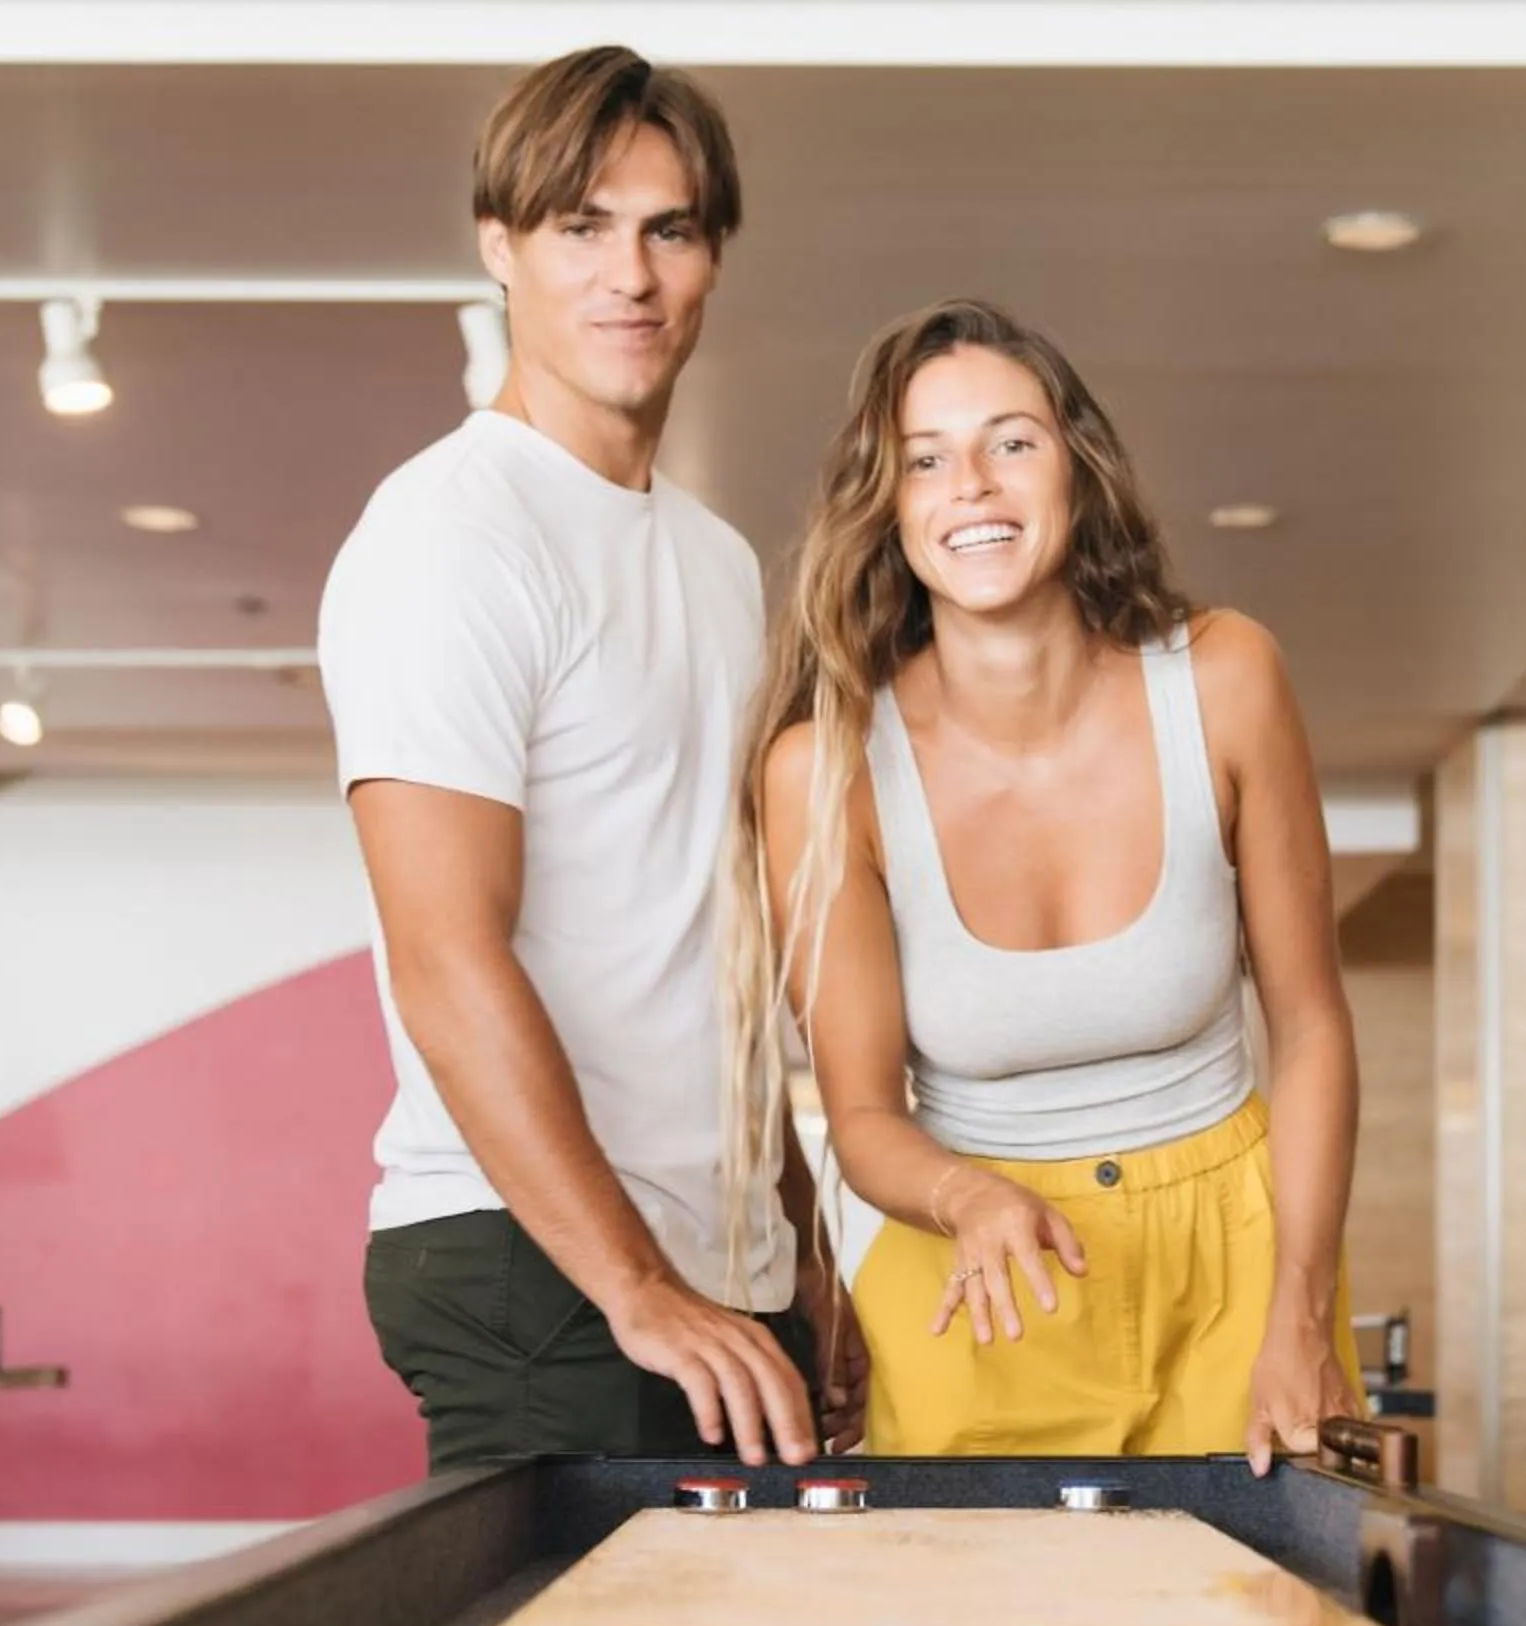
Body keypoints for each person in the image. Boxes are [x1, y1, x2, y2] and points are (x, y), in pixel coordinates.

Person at [318, 46, 861, 1472]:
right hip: (543, 1268)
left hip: (709, 1273)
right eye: (581, 226)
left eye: (667, 229)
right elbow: (445, 956)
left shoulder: (721, 563)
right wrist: (636, 1286)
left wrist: (793, 1237)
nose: (630, 274)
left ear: (713, 259)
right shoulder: (451, 534)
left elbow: (719, 948)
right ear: (499, 247)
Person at [726, 298, 1362, 1472]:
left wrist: (1303, 1315)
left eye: (1010, 441)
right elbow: (860, 1111)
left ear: (1078, 467)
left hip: (1238, 1270)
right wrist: (966, 1199)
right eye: (926, 459)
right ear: (891, 506)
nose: (971, 482)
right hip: (977, 1283)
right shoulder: (823, 769)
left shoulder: (1225, 677)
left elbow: (1313, 1022)